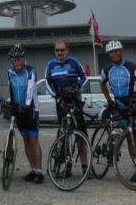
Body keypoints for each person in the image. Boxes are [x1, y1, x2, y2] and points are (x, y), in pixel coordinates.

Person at [99, 40, 136, 185]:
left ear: (121, 52)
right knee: (129, 139)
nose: (114, 54)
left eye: (116, 51)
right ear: (109, 54)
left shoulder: (132, 67)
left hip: (134, 102)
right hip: (120, 105)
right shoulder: (107, 69)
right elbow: (102, 83)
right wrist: (109, 99)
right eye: (111, 52)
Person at [44, 39, 89, 178]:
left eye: (62, 50)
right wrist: (57, 97)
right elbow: (47, 82)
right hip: (61, 104)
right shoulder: (50, 65)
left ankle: (85, 168)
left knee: (81, 135)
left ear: (67, 51)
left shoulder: (74, 62)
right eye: (57, 50)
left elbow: (84, 78)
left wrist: (76, 88)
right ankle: (68, 167)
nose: (60, 53)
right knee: (65, 135)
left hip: (75, 102)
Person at [7, 45, 44, 184]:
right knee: (26, 140)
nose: (17, 61)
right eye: (14, 59)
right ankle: (33, 169)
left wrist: (28, 105)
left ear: (23, 59)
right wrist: (11, 105)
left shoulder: (31, 70)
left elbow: (30, 87)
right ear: (11, 61)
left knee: (34, 140)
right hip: (19, 110)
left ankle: (39, 171)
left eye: (19, 59)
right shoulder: (10, 72)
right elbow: (10, 88)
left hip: (31, 110)